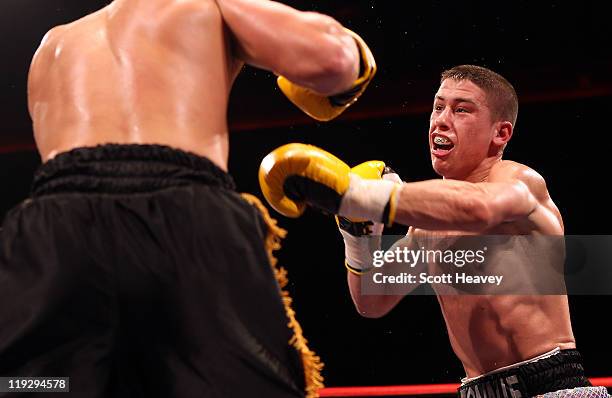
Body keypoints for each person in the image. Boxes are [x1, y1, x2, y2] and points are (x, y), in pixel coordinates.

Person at [0, 0, 377, 397]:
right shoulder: (203, 9)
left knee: (36, 387)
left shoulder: (53, 44)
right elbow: (335, 63)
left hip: (50, 229)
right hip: (182, 212)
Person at [259, 65, 609, 397]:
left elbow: (480, 208)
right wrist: (357, 236)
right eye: (438, 107)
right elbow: (372, 299)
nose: (441, 120)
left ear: (500, 133)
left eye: (461, 110)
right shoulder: (428, 229)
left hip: (552, 386)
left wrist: (359, 194)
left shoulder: (520, 182)